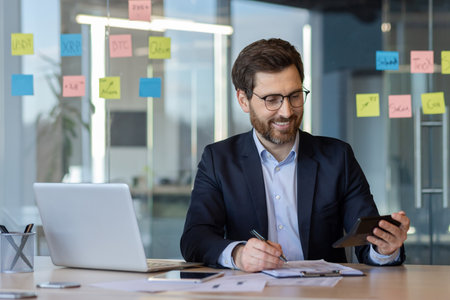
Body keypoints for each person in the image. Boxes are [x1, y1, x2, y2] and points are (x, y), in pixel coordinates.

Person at [180, 38, 410, 272]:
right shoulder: (218, 160)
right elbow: (195, 238)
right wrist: (238, 254)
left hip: (325, 294)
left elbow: (366, 241)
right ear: (243, 100)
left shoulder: (337, 157)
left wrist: (385, 248)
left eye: (295, 96)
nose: (287, 111)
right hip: (250, 292)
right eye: (272, 100)